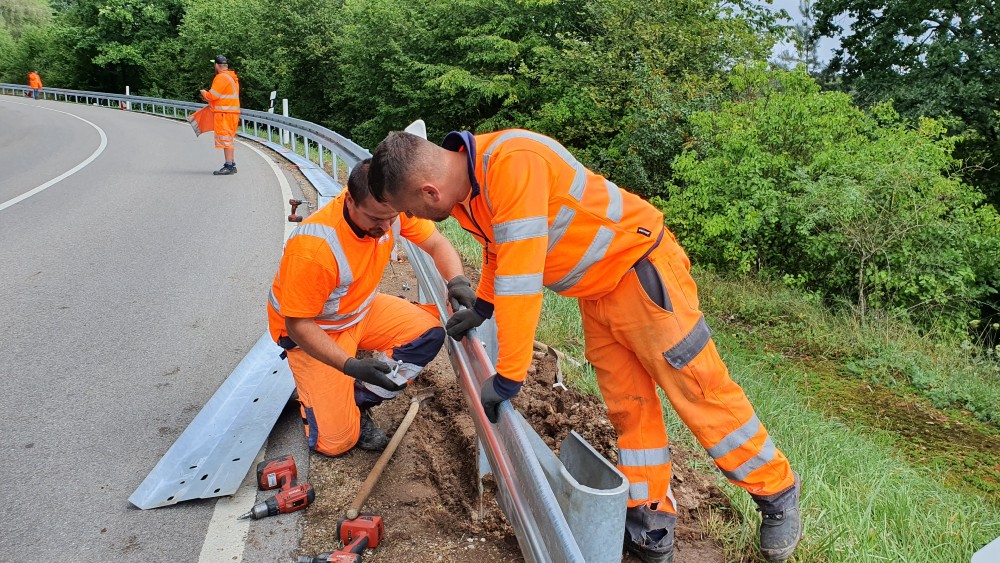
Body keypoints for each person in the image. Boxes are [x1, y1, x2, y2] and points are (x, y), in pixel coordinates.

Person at [368, 130, 802, 563]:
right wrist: (482, 306)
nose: (415, 217)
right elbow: (498, 250)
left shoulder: (512, 164)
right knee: (629, 407)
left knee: (698, 389)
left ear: (429, 190)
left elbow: (521, 284)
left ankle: (776, 490)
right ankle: (651, 521)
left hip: (641, 273)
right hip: (597, 292)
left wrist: (509, 376)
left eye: (411, 209)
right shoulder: (471, 189)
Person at [267, 159, 475, 457]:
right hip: (316, 331)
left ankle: (358, 399)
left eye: (391, 218)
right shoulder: (315, 249)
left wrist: (457, 281)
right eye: (376, 220)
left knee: (428, 333)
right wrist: (349, 365)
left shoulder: (392, 207)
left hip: (360, 311)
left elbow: (437, 244)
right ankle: (316, 395)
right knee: (336, 444)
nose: (386, 228)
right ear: (350, 199)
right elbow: (298, 324)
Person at [199, 55, 240, 175]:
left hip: (224, 114)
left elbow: (213, 96)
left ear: (217, 65)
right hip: (232, 113)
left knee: (225, 139)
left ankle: (228, 166)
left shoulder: (221, 78)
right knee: (229, 139)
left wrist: (204, 93)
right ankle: (231, 164)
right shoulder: (232, 78)